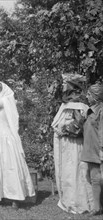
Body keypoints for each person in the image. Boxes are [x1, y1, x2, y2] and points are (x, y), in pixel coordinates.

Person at [0, 82, 35, 209]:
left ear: (1, 90)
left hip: (5, 138)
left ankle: (15, 197)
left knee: (9, 166)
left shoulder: (5, 100)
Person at [51, 74, 93, 214]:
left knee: (75, 170)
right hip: (66, 144)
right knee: (68, 171)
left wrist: (63, 129)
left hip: (74, 145)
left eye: (65, 83)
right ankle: (69, 200)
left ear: (72, 86)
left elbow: (79, 126)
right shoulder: (68, 104)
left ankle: (77, 202)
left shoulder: (77, 105)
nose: (63, 86)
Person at [81, 82, 103, 216]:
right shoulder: (89, 111)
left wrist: (102, 149)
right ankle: (97, 208)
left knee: (99, 179)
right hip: (90, 149)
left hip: (99, 149)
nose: (87, 96)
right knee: (95, 179)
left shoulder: (101, 111)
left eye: (89, 94)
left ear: (95, 96)